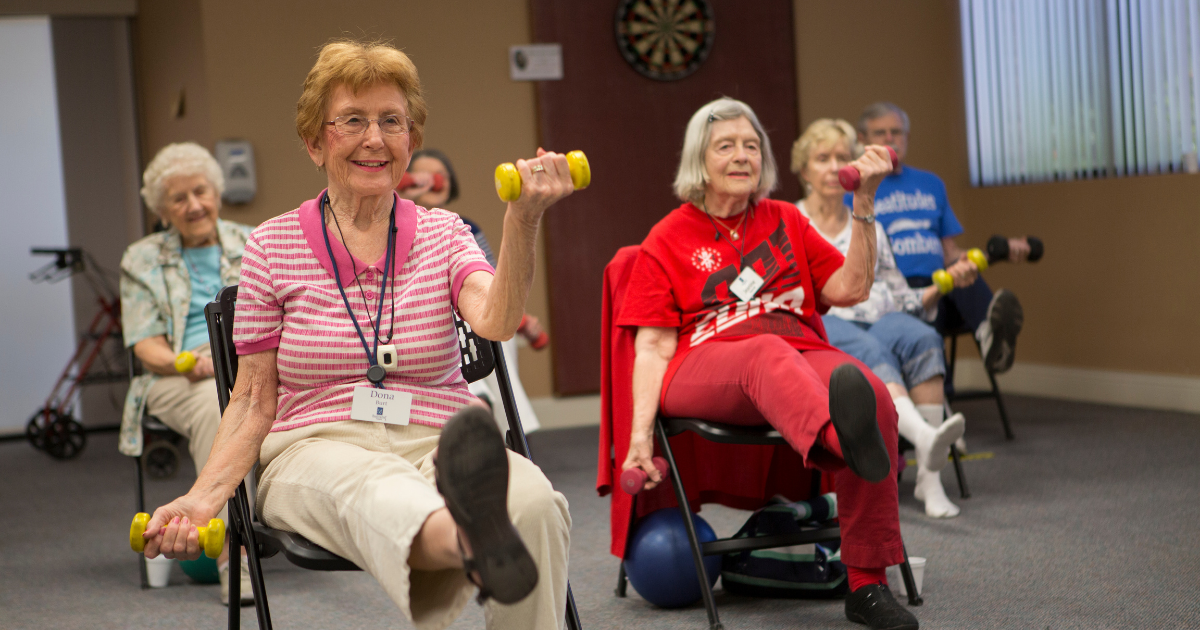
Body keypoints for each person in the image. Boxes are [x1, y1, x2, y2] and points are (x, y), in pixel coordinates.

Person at [136, 40, 574, 630]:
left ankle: (473, 525)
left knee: (537, 506)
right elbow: (252, 398)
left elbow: (493, 322)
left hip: (441, 440)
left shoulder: (446, 233)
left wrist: (523, 219)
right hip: (315, 446)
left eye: (392, 121)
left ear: (411, 141)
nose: (375, 138)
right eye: (353, 121)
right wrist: (203, 499)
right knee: (375, 483)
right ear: (315, 143)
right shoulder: (272, 245)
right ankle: (468, 539)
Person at [619, 97, 919, 630]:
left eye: (751, 145)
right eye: (726, 146)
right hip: (703, 364)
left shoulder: (786, 219)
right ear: (699, 160)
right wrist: (639, 436)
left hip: (798, 351)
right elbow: (652, 347)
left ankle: (866, 586)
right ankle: (840, 442)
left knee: (872, 396)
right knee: (764, 352)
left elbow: (850, 289)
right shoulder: (667, 236)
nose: (742, 156)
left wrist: (864, 202)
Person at [793, 119, 967, 518]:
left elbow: (898, 291)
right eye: (822, 159)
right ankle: (925, 438)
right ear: (804, 170)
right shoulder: (792, 221)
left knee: (922, 336)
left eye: (842, 157)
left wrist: (942, 286)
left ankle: (928, 479)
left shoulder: (868, 217)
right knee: (870, 347)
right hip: (827, 322)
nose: (834, 167)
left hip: (881, 314)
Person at [119, 141, 255, 605]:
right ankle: (231, 558)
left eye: (200, 191)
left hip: (252, 359)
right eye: (179, 199)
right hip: (180, 373)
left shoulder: (255, 241)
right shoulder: (141, 258)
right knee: (221, 411)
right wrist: (188, 362)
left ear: (216, 192)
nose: (194, 205)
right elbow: (145, 345)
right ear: (163, 209)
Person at [851, 102, 1029, 375]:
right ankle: (942, 389)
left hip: (941, 283)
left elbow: (951, 252)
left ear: (907, 138)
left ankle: (990, 336)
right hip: (894, 293)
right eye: (881, 133)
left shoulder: (931, 184)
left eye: (897, 132)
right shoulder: (856, 189)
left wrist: (1000, 253)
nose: (890, 139)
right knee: (929, 300)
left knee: (962, 273)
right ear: (862, 140)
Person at [399, 148, 547, 432]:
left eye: (440, 175)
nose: (433, 181)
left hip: (472, 313)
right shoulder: (394, 229)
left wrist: (522, 320)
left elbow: (494, 284)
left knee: (494, 334)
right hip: (424, 316)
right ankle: (476, 403)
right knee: (451, 328)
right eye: (422, 175)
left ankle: (506, 424)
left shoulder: (465, 228)